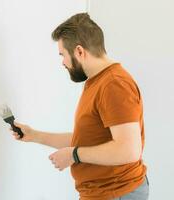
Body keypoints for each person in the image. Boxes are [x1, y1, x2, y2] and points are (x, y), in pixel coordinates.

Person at [9, 13, 149, 200]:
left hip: (116, 193)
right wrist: (34, 135)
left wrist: (74, 155)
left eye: (63, 55)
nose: (63, 63)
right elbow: (89, 140)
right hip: (103, 193)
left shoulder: (114, 84)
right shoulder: (98, 82)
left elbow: (129, 150)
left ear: (79, 52)